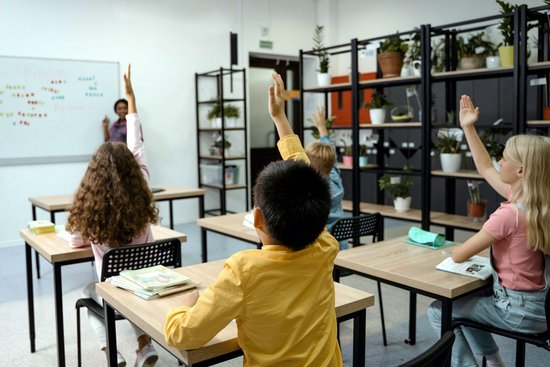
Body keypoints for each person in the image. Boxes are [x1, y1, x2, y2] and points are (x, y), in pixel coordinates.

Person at [164, 71, 343, 366]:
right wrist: (279, 119)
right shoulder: (324, 245)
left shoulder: (243, 271)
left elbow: (183, 335)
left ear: (257, 217)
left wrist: (181, 307)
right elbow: (304, 173)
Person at [427, 95, 550, 367]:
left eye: (504, 158)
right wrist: (468, 127)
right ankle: (494, 362)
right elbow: (484, 167)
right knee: (466, 306)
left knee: (440, 311)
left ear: (520, 170)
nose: (499, 162)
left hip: (516, 312)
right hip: (540, 309)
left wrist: (452, 249)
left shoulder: (509, 214)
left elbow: (460, 255)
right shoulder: (538, 203)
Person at [67, 64, 160, 367]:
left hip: (115, 288)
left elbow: (75, 242)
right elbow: (136, 143)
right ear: (134, 169)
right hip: (147, 282)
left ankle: (111, 354)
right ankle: (144, 345)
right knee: (131, 289)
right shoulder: (143, 183)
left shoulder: (90, 209)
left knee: (90, 291)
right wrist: (132, 96)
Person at [306, 105, 347, 249]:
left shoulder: (312, 193)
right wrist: (321, 127)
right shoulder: (335, 177)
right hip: (341, 246)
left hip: (322, 251)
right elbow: (331, 154)